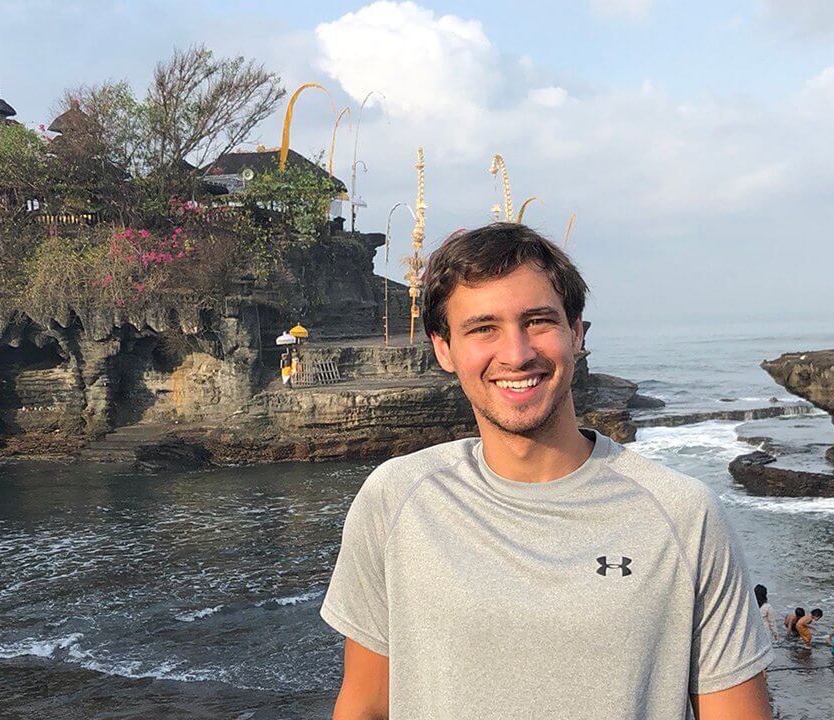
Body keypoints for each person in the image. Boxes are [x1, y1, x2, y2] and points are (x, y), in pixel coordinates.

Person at [320, 224, 772, 720]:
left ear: (576, 333)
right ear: (444, 348)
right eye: (483, 328)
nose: (516, 354)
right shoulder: (395, 499)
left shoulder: (684, 515)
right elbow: (364, 705)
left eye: (537, 321)